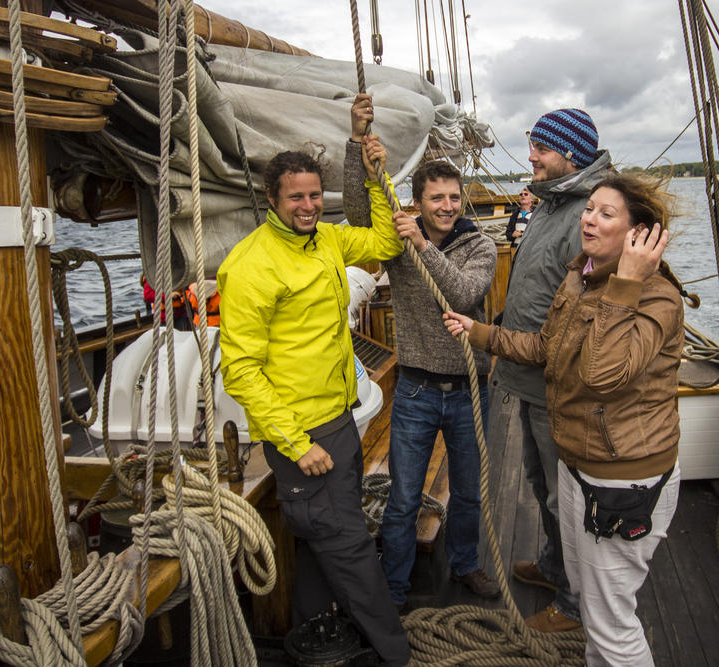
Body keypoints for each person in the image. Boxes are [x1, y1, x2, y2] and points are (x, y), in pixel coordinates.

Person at [445, 172, 682, 666]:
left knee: (612, 623)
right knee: (595, 611)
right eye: (588, 208)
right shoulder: (583, 274)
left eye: (605, 213)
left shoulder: (656, 298)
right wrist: (482, 333)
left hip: (622, 480)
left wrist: (629, 282)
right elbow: (547, 348)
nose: (589, 219)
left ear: (639, 234)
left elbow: (601, 374)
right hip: (579, 462)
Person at [217, 135, 410, 665]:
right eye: (295, 198)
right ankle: (395, 654)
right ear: (273, 201)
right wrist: (296, 443)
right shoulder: (252, 265)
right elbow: (240, 370)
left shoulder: (326, 239)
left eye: (313, 196)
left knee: (321, 541)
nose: (306, 206)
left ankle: (316, 638)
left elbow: (385, 244)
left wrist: (377, 177)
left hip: (338, 421)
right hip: (304, 437)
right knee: (348, 547)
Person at [342, 94, 500, 608]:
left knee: (471, 493)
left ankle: (465, 564)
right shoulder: (396, 241)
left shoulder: (479, 246)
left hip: (467, 391)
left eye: (454, 197)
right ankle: (394, 586)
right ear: (417, 201)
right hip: (414, 388)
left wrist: (425, 247)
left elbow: (461, 295)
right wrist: (356, 143)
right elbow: (357, 209)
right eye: (437, 199)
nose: (448, 206)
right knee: (404, 498)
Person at [488, 108, 612, 631]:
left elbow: (589, 309)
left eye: (540, 147)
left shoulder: (588, 215)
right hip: (528, 378)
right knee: (542, 486)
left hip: (557, 386)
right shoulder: (551, 203)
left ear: (570, 155)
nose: (531, 156)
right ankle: (552, 564)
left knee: (567, 498)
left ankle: (573, 601)